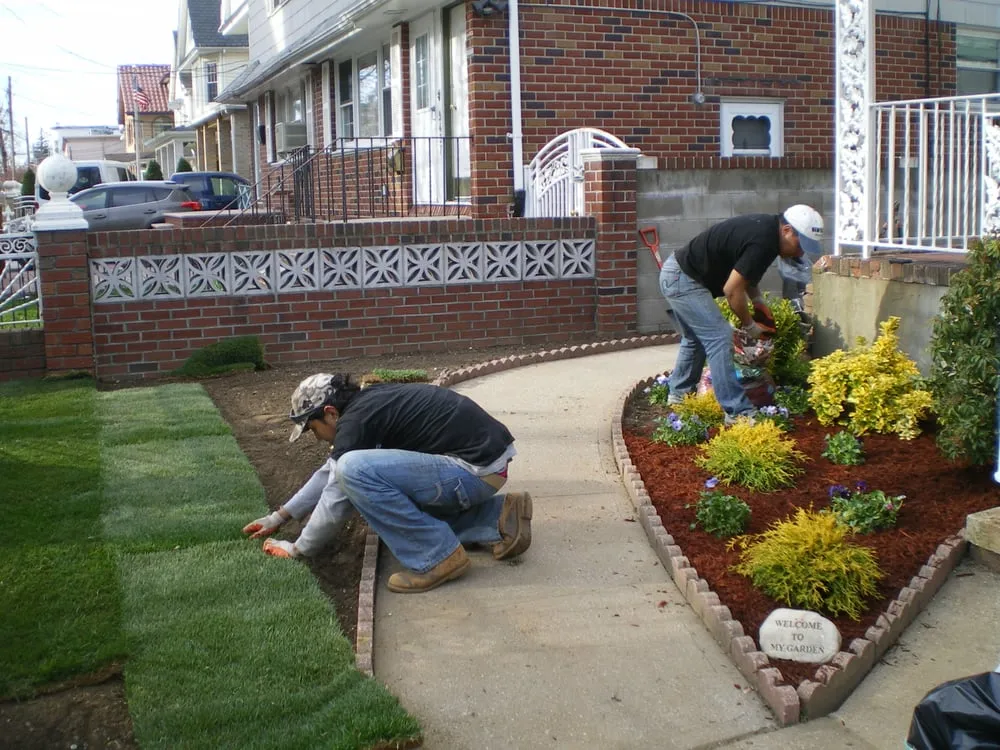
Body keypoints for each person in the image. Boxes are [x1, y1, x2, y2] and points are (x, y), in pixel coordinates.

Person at [242, 373, 532, 594]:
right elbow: (329, 473)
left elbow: (337, 491)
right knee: (378, 493)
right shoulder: (367, 406)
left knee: (356, 473)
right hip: (485, 466)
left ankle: (437, 557)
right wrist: (279, 517)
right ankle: (499, 517)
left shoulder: (356, 422)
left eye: (311, 427)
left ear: (330, 412)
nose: (315, 436)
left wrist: (298, 548)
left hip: (472, 471)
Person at [659, 204, 824, 422]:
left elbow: (746, 274)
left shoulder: (767, 231)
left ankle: (679, 395)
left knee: (695, 339)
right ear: (786, 231)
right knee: (719, 336)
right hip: (683, 280)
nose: (801, 252)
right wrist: (750, 325)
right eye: (800, 244)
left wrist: (758, 302)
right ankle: (738, 412)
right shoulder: (764, 242)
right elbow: (732, 290)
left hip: (679, 274)